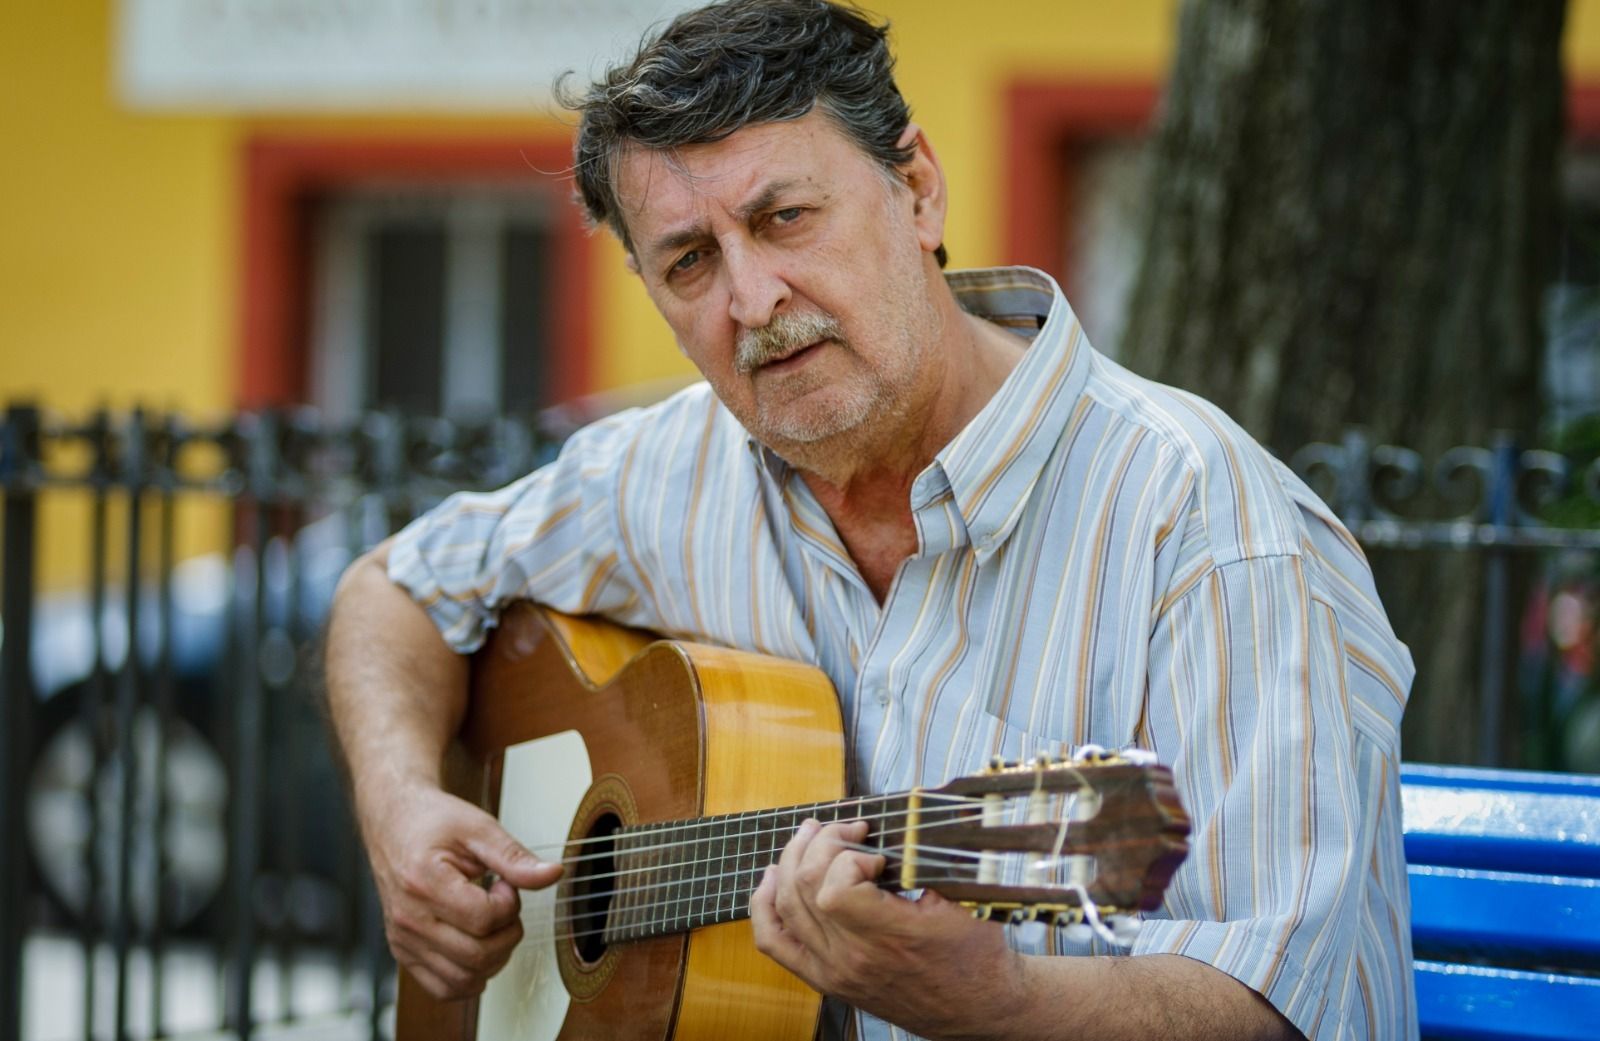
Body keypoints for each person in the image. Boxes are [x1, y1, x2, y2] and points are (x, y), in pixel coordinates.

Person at [324, 1, 1417, 1038]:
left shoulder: (1207, 524)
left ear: (918, 189)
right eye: (691, 262)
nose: (752, 301)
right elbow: (399, 589)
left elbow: (1278, 1004)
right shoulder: (666, 473)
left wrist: (1003, 1005)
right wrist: (400, 809)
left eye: (784, 217)